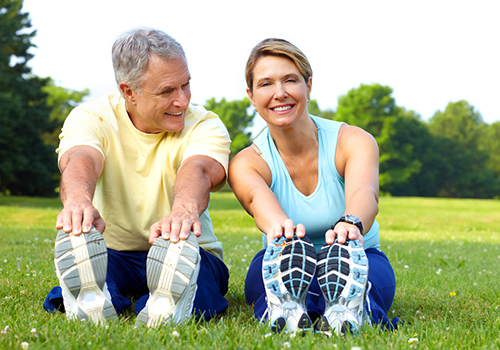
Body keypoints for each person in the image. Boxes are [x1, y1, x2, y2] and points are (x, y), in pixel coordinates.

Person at [43, 27, 231, 327]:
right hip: (115, 253)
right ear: (129, 91)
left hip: (188, 250)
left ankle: (167, 303)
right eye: (168, 91)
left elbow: (199, 168)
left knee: (200, 284)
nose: (182, 100)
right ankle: (96, 299)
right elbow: (81, 158)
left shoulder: (205, 124)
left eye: (186, 85)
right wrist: (78, 202)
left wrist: (182, 211)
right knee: (100, 272)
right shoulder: (92, 118)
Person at [228, 38, 399, 335]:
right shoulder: (247, 163)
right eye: (266, 84)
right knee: (266, 277)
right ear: (251, 96)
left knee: (364, 279)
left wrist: (351, 224)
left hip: (359, 256)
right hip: (281, 257)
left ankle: (352, 307)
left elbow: (365, 194)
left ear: (308, 86)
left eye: (290, 80)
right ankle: (286, 307)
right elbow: (258, 202)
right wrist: (284, 232)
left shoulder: (353, 141)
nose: (280, 93)